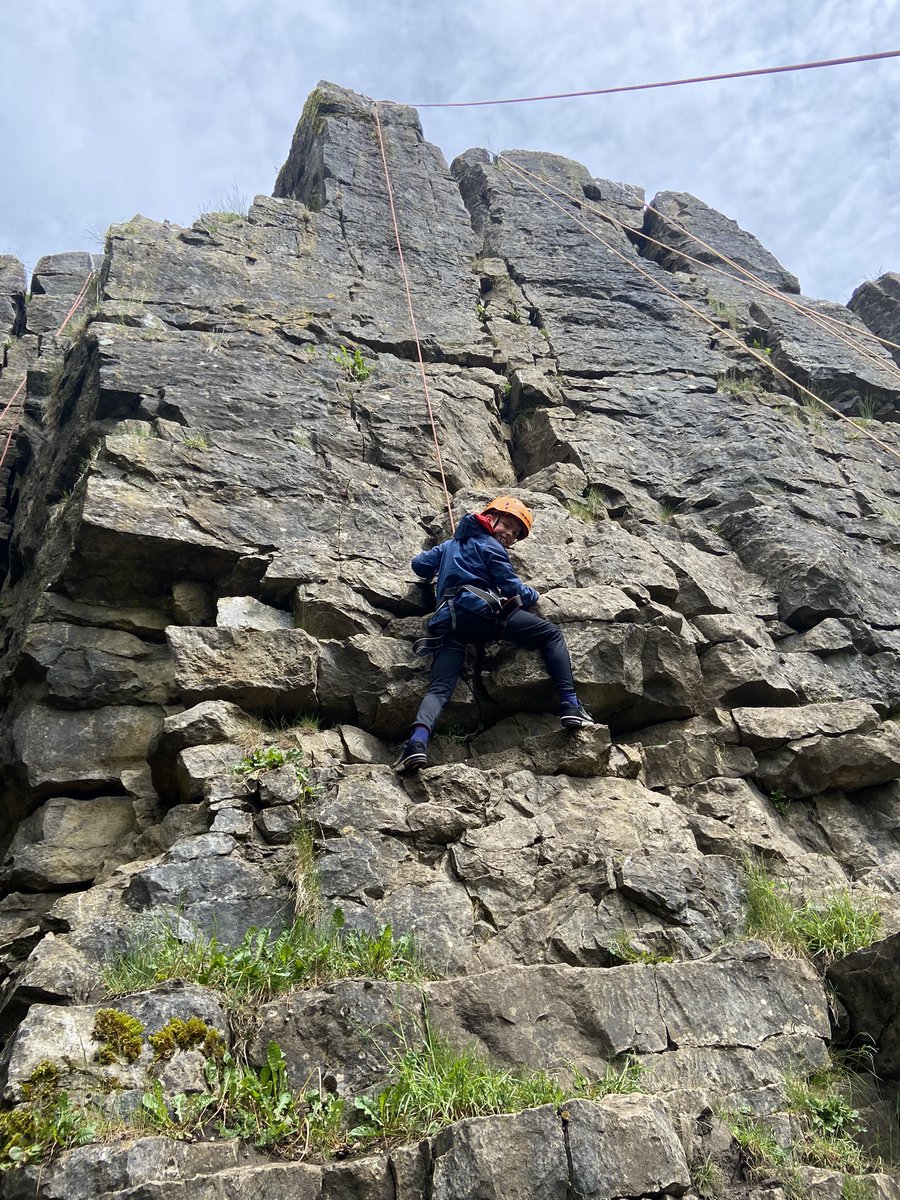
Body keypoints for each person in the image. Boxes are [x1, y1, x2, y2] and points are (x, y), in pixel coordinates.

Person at [394, 496, 594, 773]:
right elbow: (513, 589)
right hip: (484, 616)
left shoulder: (450, 545)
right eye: (509, 526)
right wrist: (533, 593)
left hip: (448, 623)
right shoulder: (491, 547)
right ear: (491, 518)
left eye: (515, 533)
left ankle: (416, 743)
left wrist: (445, 556)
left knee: (439, 689)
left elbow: (419, 565)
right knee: (551, 634)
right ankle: (571, 705)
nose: (510, 536)